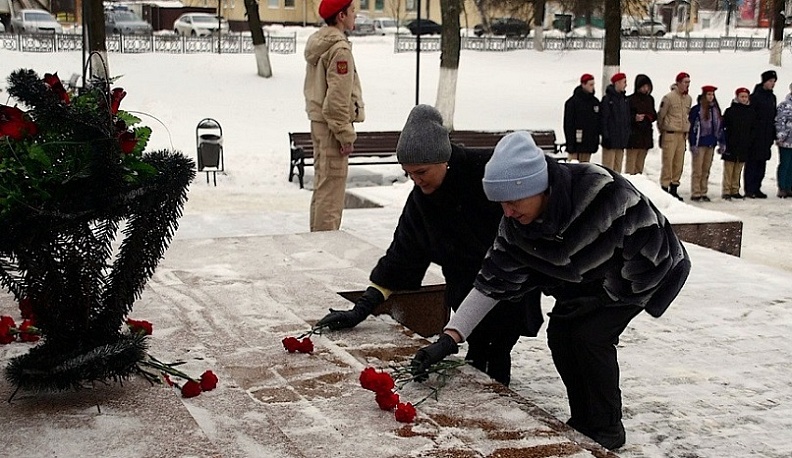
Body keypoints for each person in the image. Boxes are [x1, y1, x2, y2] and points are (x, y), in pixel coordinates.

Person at [409, 131, 691, 450]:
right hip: (584, 280)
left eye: (514, 201)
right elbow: (491, 282)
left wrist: (606, 297)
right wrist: (449, 338)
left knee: (590, 336)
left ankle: (608, 426)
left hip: (641, 272)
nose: (508, 212)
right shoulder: (516, 227)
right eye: (501, 203)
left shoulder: (601, 193)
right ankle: (584, 420)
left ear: (538, 187)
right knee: (561, 334)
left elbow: (650, 248)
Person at [316, 105, 542, 386]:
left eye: (421, 171)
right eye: (408, 173)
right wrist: (362, 308)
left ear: (443, 159)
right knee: (480, 362)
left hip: (510, 292)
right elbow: (401, 257)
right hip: (464, 295)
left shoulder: (486, 174)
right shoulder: (422, 200)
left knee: (491, 356)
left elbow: (537, 195)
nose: (416, 180)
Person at [303, 0, 365, 231]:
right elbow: (337, 101)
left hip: (319, 124)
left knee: (323, 188)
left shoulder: (321, 43)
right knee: (331, 195)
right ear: (341, 16)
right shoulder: (339, 49)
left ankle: (316, 242)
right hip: (331, 129)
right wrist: (345, 135)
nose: (355, 16)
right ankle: (324, 250)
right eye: (352, 12)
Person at [657, 72, 692, 201]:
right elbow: (661, 115)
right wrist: (663, 130)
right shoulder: (669, 98)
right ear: (678, 82)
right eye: (685, 82)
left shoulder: (688, 99)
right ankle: (665, 187)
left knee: (678, 163)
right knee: (668, 162)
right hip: (670, 134)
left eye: (688, 82)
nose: (687, 85)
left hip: (681, 135)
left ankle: (674, 187)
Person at [688, 85, 723, 202]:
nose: (711, 97)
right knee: (697, 169)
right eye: (708, 94)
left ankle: (703, 191)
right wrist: (693, 143)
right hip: (700, 143)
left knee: (706, 169)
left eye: (712, 94)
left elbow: (719, 127)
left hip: (711, 143)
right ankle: (696, 192)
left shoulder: (715, 110)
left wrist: (720, 141)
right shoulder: (697, 110)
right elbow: (692, 128)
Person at [745, 70, 777, 199]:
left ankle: (757, 187)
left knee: (762, 164)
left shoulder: (772, 97)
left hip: (766, 135)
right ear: (764, 81)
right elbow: (751, 116)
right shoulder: (755, 97)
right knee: (752, 163)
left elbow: (773, 116)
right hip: (755, 135)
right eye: (770, 81)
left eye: (774, 82)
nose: (772, 84)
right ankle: (750, 188)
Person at [721, 87, 755, 200]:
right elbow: (724, 127)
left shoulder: (751, 112)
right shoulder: (730, 111)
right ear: (737, 97)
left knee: (738, 169)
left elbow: (752, 129)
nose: (744, 99)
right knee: (729, 169)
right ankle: (726, 190)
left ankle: (735, 189)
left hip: (744, 145)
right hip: (731, 144)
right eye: (742, 96)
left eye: (746, 97)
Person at [563, 73, 601, 163]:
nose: (593, 87)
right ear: (583, 85)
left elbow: (598, 122)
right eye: (590, 84)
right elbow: (568, 124)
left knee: (585, 168)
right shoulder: (572, 102)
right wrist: (570, 143)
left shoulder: (595, 102)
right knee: (574, 168)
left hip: (589, 142)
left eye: (593, 84)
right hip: (576, 142)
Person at [625, 74, 657, 174]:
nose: (645, 89)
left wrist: (649, 117)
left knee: (640, 166)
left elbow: (654, 114)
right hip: (634, 136)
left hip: (645, 136)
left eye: (647, 86)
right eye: (643, 86)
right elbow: (626, 117)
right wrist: (635, 118)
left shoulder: (650, 99)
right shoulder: (630, 100)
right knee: (631, 165)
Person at [600, 72, 630, 173]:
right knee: (608, 170)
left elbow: (627, 119)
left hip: (621, 141)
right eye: (624, 82)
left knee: (618, 170)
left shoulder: (624, 100)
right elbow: (604, 119)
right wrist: (606, 136)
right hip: (611, 141)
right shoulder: (607, 100)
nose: (625, 84)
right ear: (617, 83)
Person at [774, 82, 792, 198]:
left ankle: (789, 186)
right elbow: (780, 122)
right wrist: (781, 136)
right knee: (785, 164)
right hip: (786, 141)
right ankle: (782, 187)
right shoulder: (785, 105)